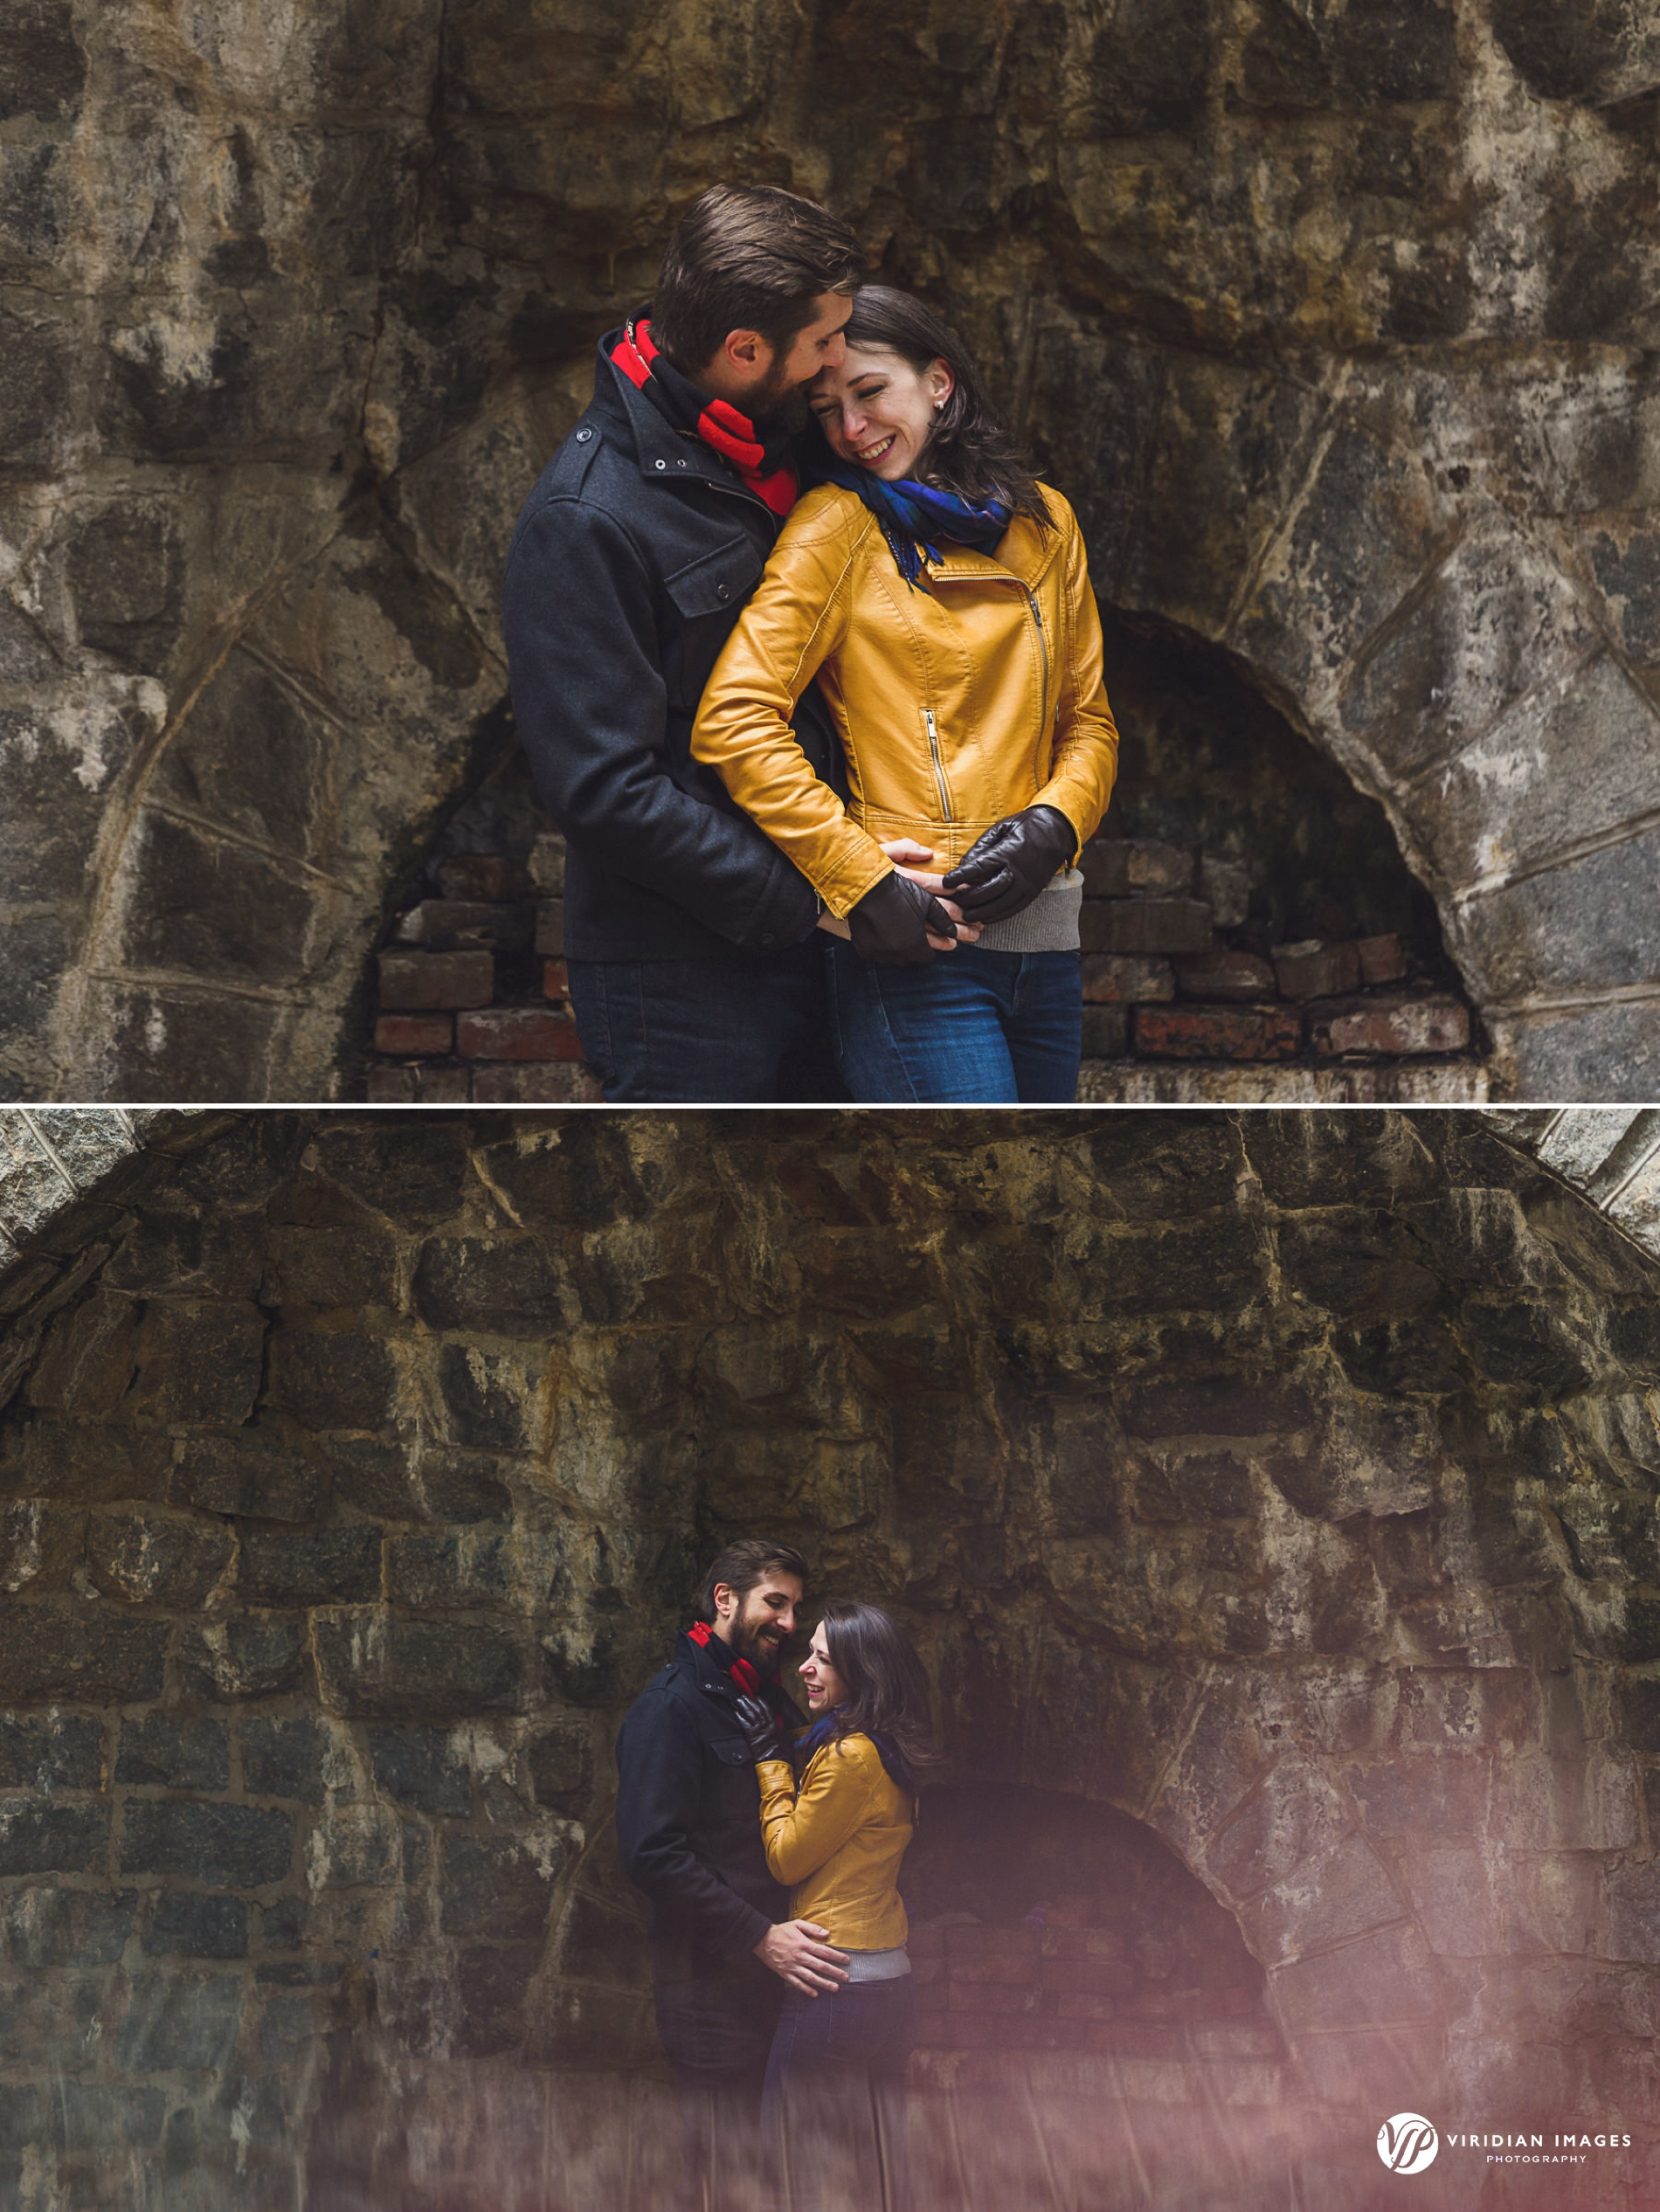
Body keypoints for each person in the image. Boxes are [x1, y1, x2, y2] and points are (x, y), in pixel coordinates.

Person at [501, 188, 970, 1104]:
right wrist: (825, 898)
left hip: (838, 938)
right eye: (826, 339)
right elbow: (604, 791)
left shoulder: (790, 441)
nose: (844, 354)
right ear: (745, 350)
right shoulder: (585, 518)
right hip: (681, 979)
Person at [690, 286, 1122, 1103]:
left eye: (869, 392)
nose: (851, 430)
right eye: (826, 409)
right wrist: (858, 879)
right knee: (968, 1216)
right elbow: (735, 720)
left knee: (1037, 1211)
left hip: (1049, 947)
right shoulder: (835, 525)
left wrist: (1052, 825)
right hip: (918, 951)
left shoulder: (1049, 523)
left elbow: (1089, 722)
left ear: (938, 382)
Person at [615, 1540, 849, 2212]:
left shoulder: (766, 1699)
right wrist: (759, 1936)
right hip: (709, 1990)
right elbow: (652, 1855)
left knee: (770, 2171)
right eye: (775, 1603)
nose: (787, 1622)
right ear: (725, 1599)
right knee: (720, 2173)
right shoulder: (669, 1708)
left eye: (794, 1608)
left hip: (775, 1984)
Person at [734, 1602, 937, 2212]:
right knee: (870, 2174)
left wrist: (769, 1762)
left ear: (862, 1673)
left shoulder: (852, 1756)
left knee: (789, 2172)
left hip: (835, 1989)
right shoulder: (887, 1746)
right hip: (890, 1987)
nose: (807, 1668)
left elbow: (787, 1859)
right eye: (811, 1653)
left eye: (825, 1659)